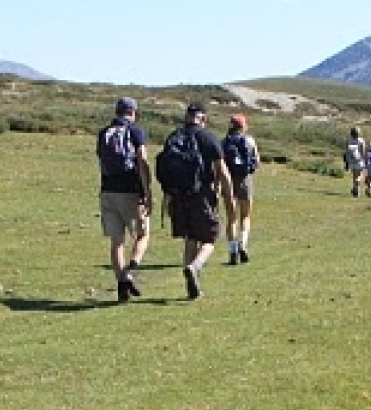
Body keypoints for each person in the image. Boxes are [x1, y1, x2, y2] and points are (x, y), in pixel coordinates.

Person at [159, 102, 227, 298]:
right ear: (203, 118)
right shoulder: (208, 138)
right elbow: (221, 171)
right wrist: (227, 195)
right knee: (210, 237)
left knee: (190, 238)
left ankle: (191, 288)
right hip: (201, 195)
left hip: (177, 195)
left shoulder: (174, 137)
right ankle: (195, 266)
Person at [97, 96, 152, 301]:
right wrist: (147, 192)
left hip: (107, 191)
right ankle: (131, 270)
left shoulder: (104, 133)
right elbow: (142, 162)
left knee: (117, 242)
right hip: (130, 191)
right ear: (133, 112)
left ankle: (121, 284)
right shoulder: (136, 132)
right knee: (142, 234)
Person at [220, 112, 260, 264]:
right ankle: (243, 244)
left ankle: (232, 250)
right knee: (245, 216)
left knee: (231, 218)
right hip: (245, 181)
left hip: (228, 182)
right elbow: (257, 162)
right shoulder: (249, 141)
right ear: (243, 126)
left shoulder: (224, 142)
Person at [344, 127, 366, 197]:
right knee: (360, 175)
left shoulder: (348, 140)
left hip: (351, 161)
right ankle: (358, 182)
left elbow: (346, 151)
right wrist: (364, 160)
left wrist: (346, 162)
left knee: (354, 176)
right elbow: (362, 151)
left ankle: (356, 191)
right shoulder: (361, 141)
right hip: (359, 160)